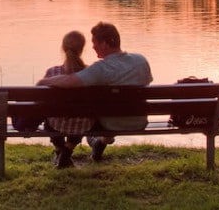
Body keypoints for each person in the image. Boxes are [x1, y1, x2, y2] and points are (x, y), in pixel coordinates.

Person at [37, 21, 153, 161]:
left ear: (104, 44)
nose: (93, 47)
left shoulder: (100, 69)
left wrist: (45, 81)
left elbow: (70, 81)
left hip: (110, 122)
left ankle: (90, 144)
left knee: (88, 115)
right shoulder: (141, 60)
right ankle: (98, 145)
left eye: (95, 43)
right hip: (139, 120)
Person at [40, 31, 95, 169]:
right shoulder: (91, 73)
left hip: (55, 124)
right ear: (82, 49)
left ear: (63, 49)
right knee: (83, 117)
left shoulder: (52, 73)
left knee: (49, 115)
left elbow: (42, 102)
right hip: (83, 125)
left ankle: (60, 150)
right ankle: (67, 151)